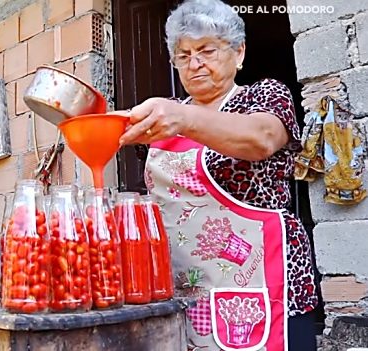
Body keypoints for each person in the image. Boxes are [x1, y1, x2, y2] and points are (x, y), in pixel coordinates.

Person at [114, 0, 317, 350]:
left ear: (238, 53)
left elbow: (262, 138)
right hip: (183, 293)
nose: (195, 64)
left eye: (206, 50)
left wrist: (181, 119)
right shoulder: (164, 116)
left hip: (262, 288)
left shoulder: (264, 96)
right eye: (183, 55)